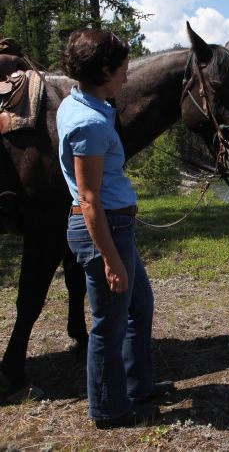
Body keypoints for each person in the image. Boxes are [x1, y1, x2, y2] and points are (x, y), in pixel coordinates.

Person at [57, 29, 173, 429]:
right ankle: (109, 409)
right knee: (109, 324)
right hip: (104, 231)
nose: (127, 76)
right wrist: (109, 258)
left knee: (139, 306)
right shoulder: (89, 122)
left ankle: (137, 386)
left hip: (114, 227)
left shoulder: (83, 104)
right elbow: (89, 199)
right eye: (123, 69)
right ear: (105, 70)